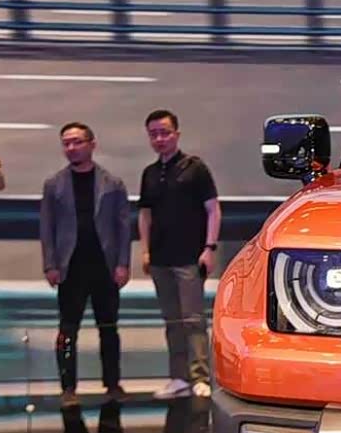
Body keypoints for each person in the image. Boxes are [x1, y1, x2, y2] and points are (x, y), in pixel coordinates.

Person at [40, 123, 131, 406]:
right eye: (66, 143)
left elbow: (123, 227)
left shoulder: (112, 184)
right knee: (67, 329)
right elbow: (47, 228)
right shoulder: (54, 184)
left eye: (77, 142)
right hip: (70, 267)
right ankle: (68, 389)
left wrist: (123, 264)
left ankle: (113, 384)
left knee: (108, 328)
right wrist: (50, 265)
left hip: (105, 266)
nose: (71, 148)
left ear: (92, 144)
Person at [138, 110, 221, 400]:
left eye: (165, 132)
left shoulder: (195, 168)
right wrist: (145, 251)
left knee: (193, 321)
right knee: (172, 322)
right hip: (160, 259)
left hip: (190, 257)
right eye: (154, 134)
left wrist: (209, 248)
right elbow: (145, 215)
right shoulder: (149, 173)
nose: (159, 139)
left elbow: (213, 209)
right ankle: (178, 377)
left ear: (176, 134)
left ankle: (200, 376)